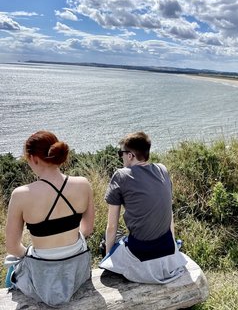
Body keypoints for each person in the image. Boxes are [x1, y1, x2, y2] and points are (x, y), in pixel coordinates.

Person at [5, 131, 94, 307]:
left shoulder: (21, 195)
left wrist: (32, 254)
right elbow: (87, 228)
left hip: (43, 275)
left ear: (33, 158)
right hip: (77, 269)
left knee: (11, 264)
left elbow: (12, 247)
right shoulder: (83, 184)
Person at [99, 131, 187, 283]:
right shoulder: (162, 170)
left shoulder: (121, 175)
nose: (121, 157)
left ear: (130, 155)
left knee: (107, 240)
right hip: (166, 249)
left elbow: (111, 226)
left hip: (141, 255)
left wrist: (108, 262)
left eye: (122, 153)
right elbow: (168, 212)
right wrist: (172, 248)